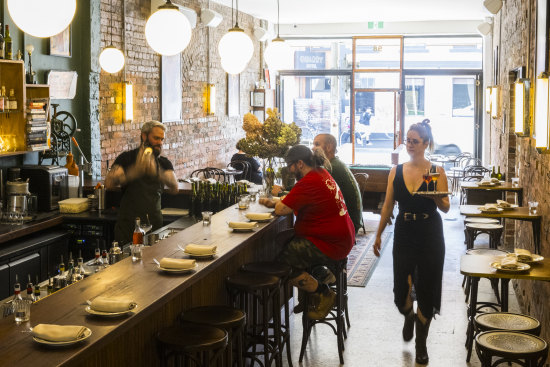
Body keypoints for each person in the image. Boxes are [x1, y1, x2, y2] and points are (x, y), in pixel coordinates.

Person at [372, 119, 449, 365]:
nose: (410, 145)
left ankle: (421, 345)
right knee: (401, 291)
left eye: (415, 141)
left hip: (430, 232)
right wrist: (378, 233)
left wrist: (436, 194)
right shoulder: (396, 171)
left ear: (426, 144)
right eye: (408, 140)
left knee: (426, 287)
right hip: (405, 232)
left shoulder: (435, 170)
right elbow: (387, 205)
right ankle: (408, 316)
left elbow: (446, 208)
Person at [259, 145, 355, 320]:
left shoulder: (309, 181)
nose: (289, 170)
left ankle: (323, 293)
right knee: (289, 244)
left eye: (290, 166)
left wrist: (277, 203)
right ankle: (320, 279)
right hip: (340, 237)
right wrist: (277, 202)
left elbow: (282, 210)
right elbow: (292, 202)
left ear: (300, 164)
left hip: (330, 243)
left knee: (283, 266)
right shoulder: (321, 173)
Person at [106, 121, 179, 244]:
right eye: (156, 138)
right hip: (128, 225)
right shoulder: (126, 158)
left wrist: (157, 173)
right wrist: (135, 171)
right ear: (144, 136)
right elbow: (109, 183)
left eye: (162, 139)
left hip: (154, 225)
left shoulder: (164, 163)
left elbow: (174, 187)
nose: (160, 143)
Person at [313, 133, 364, 234]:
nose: (313, 148)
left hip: (348, 224)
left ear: (328, 147)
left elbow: (311, 191)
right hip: (353, 220)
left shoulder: (331, 168)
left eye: (317, 144)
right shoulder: (335, 163)